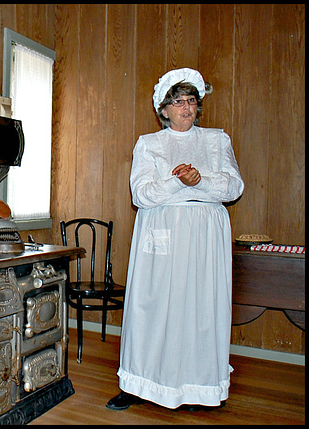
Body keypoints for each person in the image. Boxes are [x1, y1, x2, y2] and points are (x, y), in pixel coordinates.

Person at [107, 68, 244, 411]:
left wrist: (199, 182)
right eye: (178, 102)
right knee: (153, 309)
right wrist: (177, 183)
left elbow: (233, 187)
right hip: (162, 235)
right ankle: (138, 384)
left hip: (205, 236)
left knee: (201, 307)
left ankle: (199, 389)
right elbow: (141, 194)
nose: (186, 107)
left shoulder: (217, 140)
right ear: (164, 109)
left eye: (192, 101)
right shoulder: (149, 144)